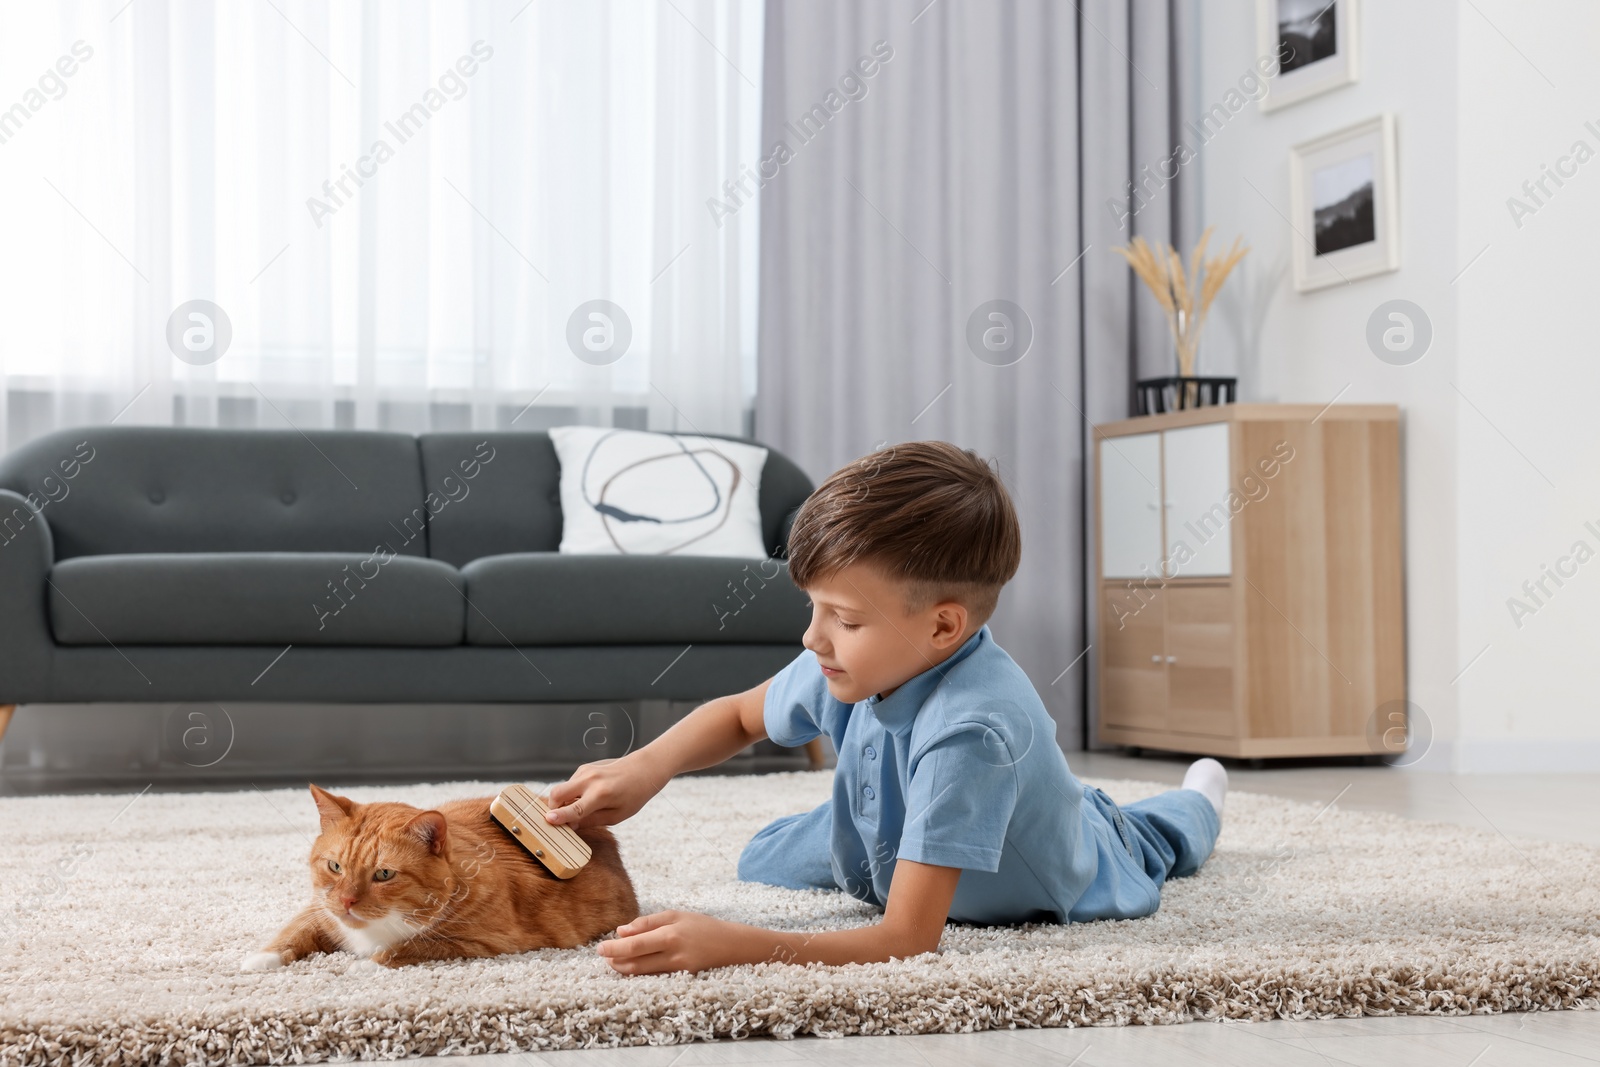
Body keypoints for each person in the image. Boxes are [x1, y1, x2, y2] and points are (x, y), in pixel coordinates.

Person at [544, 441, 1227, 975]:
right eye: (815, 608)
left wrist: (740, 945)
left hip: (1061, 862)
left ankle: (1197, 793)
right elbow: (743, 716)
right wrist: (645, 767)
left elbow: (906, 938)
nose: (812, 637)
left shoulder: (973, 732)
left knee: (1157, 835)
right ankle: (891, 810)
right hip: (883, 840)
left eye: (841, 616)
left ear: (942, 627)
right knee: (759, 858)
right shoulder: (856, 656)